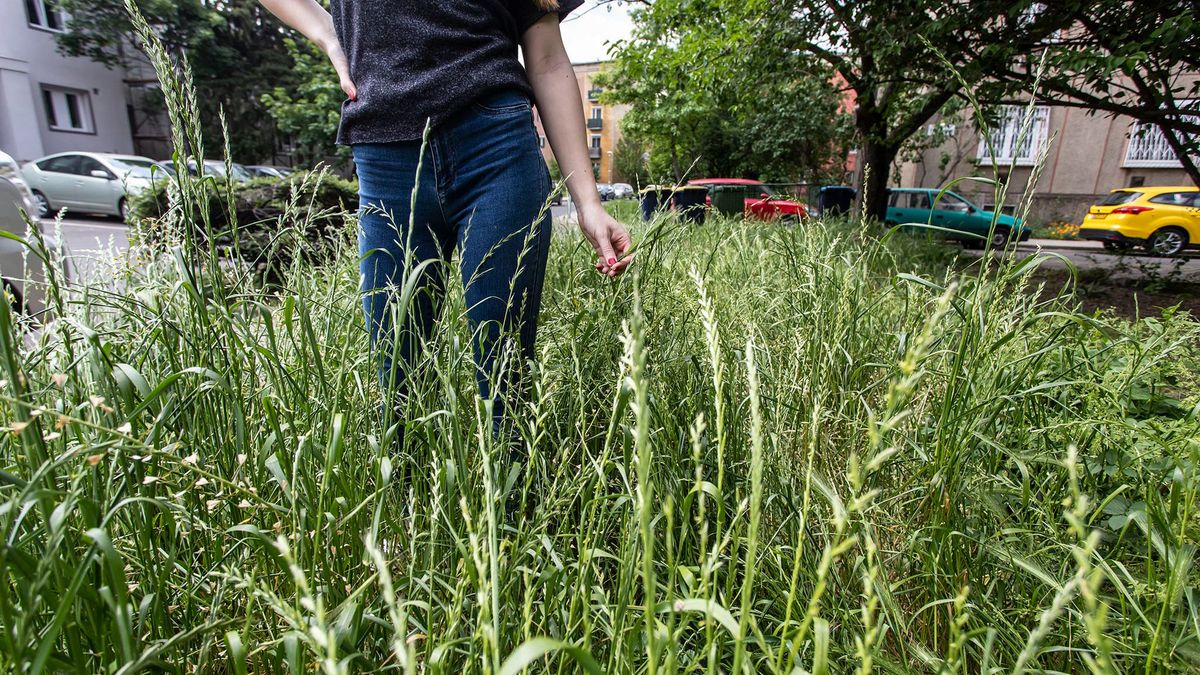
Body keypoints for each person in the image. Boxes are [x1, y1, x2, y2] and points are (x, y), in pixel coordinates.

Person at [259, 0, 632, 433]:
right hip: (385, 152)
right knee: (398, 381)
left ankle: (509, 499)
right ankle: (405, 498)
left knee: (505, 375)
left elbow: (547, 57)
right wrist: (327, 31)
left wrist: (588, 202)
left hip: (496, 147)